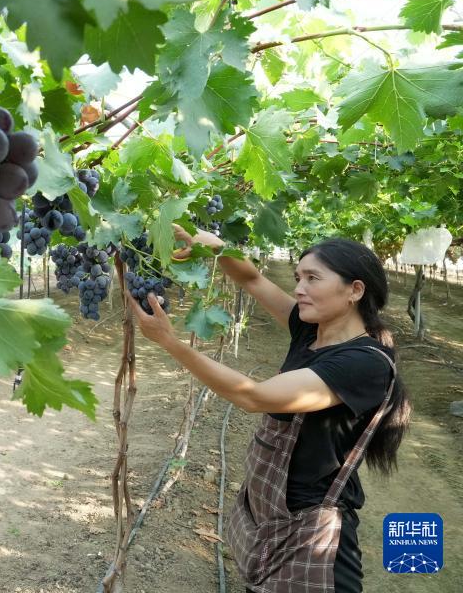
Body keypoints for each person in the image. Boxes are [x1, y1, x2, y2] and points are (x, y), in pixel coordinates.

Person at [127, 227, 411, 593]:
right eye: (298, 277)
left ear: (355, 290)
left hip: (313, 536)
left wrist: (170, 342)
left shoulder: (363, 363)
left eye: (313, 278)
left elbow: (254, 396)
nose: (299, 288)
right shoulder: (311, 330)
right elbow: (252, 279)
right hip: (273, 518)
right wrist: (215, 247)